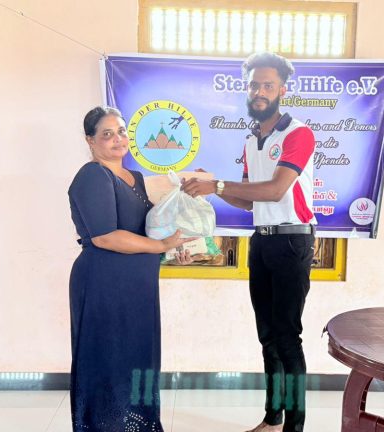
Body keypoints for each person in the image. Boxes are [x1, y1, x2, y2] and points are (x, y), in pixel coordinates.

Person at [182, 52, 317, 432]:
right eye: (254, 85)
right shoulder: (252, 139)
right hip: (262, 242)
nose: (259, 92)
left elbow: (275, 190)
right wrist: (211, 186)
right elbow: (248, 202)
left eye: (268, 85)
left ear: (282, 90)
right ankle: (272, 420)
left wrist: (217, 185)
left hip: (292, 242)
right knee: (267, 336)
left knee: (287, 338)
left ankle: (294, 427)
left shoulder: (298, 134)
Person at [68, 106, 193, 432]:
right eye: (107, 134)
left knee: (138, 358)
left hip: (138, 286)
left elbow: (145, 231)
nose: (117, 139)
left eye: (121, 131)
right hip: (104, 283)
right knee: (108, 360)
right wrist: (161, 245)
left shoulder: (135, 178)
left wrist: (173, 247)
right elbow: (106, 236)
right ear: (90, 140)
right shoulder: (93, 175)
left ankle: (139, 425)